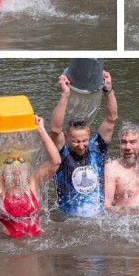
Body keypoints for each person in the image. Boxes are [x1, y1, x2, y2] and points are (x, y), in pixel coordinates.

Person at [0, 114, 60, 237]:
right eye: (10, 162)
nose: (16, 167)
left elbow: (55, 162)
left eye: (21, 161)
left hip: (36, 243)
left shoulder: (32, 182)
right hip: (11, 246)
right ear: (2, 168)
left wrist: (41, 131)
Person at [49, 72, 118, 217]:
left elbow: (111, 119)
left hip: (99, 216)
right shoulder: (62, 154)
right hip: (69, 219)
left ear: (89, 136)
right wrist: (65, 94)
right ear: (67, 139)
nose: (81, 145)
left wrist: (108, 89)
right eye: (76, 141)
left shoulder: (97, 149)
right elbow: (55, 130)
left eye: (84, 140)